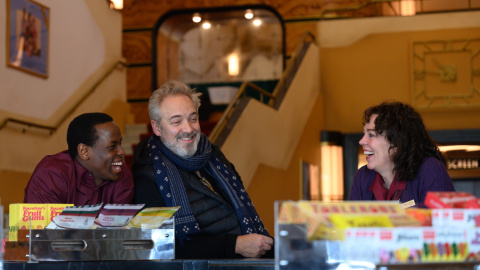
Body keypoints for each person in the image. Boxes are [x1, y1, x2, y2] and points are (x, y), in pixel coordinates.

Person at [132, 80, 273, 259]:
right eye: (176, 122)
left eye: (193, 118)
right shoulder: (148, 177)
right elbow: (157, 246)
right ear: (157, 128)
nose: (188, 129)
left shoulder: (214, 158)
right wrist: (234, 245)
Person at [349, 101, 455, 207]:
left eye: (371, 135)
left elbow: (443, 221)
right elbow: (350, 222)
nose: (361, 141)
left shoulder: (430, 170)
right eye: (364, 134)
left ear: (397, 142)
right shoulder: (362, 177)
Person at [24, 112, 134, 205]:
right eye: (112, 147)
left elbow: (121, 226)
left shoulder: (122, 173)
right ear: (84, 151)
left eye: (120, 144)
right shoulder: (51, 175)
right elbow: (43, 229)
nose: (122, 152)